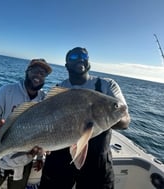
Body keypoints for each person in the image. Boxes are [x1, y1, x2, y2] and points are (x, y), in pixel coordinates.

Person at [39, 47, 131, 189]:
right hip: (59, 158)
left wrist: (93, 119)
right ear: (66, 65)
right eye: (74, 57)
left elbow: (125, 120)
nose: (80, 58)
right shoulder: (58, 89)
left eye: (84, 56)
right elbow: (44, 122)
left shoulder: (106, 85)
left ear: (88, 62)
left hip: (96, 162)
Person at [0, 58, 52, 189]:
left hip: (24, 162)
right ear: (27, 71)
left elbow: (44, 132)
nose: (38, 75)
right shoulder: (7, 90)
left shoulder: (44, 99)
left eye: (43, 74)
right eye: (35, 71)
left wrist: (40, 157)